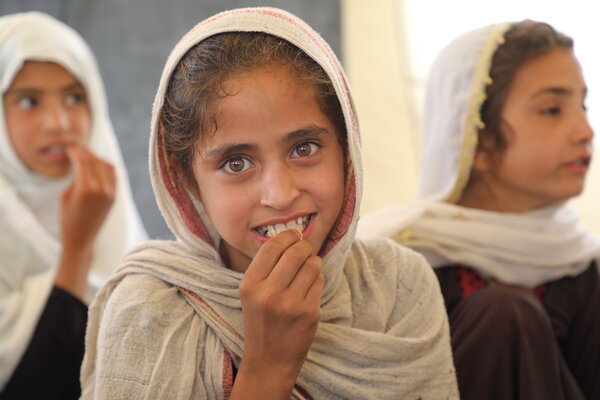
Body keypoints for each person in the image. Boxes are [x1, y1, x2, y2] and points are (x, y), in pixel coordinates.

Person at [80, 7, 458, 399]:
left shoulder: (397, 286)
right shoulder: (149, 310)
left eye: (304, 148)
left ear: (347, 151)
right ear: (186, 179)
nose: (279, 195)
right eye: (236, 163)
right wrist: (268, 366)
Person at [359, 20, 600, 400]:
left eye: (582, 105)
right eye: (552, 109)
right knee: (504, 315)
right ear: (479, 139)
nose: (585, 129)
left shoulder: (582, 267)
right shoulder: (397, 267)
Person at [0, 11, 147, 399]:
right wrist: (78, 247)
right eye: (29, 101)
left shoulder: (114, 214)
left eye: (74, 97)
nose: (59, 122)